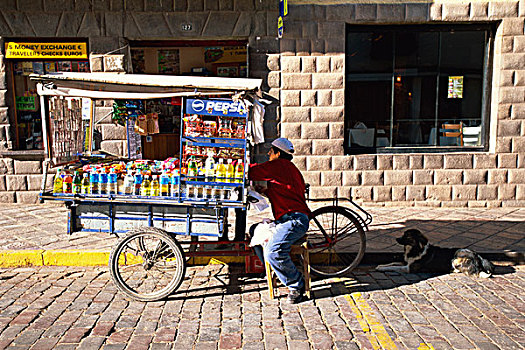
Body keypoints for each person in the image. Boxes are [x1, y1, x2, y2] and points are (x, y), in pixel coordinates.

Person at [248, 137, 311, 303]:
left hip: (293, 219)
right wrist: (266, 192)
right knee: (254, 231)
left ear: (278, 153)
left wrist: (236, 166)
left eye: (271, 151)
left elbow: (253, 171)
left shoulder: (279, 165)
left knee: (273, 251)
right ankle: (273, 271)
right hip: (287, 218)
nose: (268, 153)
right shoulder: (287, 168)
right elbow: (286, 191)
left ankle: (296, 285)